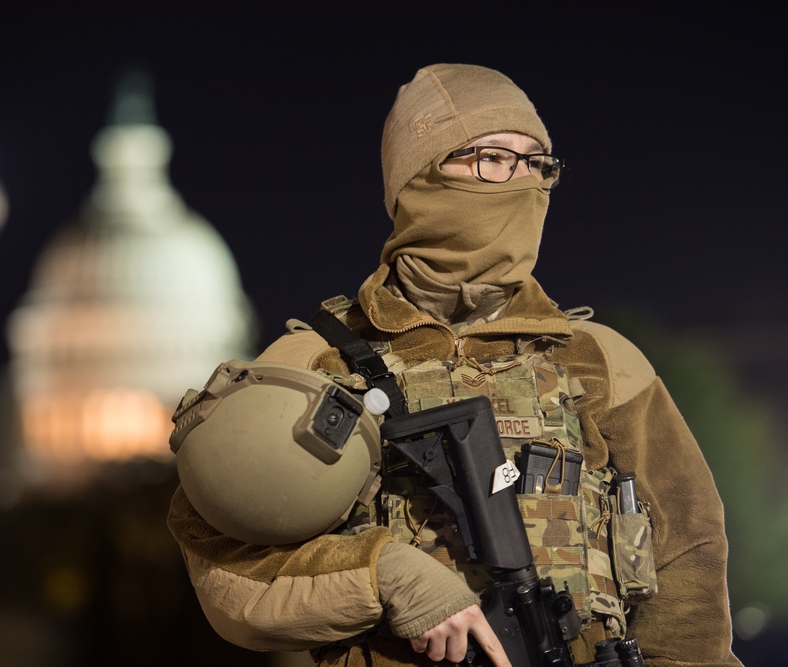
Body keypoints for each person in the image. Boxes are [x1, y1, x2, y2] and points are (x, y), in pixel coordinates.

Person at [167, 63, 743, 666]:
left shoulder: (600, 360)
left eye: (537, 163)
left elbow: (690, 562)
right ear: (417, 177)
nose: (520, 181)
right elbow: (224, 567)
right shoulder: (314, 362)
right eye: (492, 158)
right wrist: (383, 576)